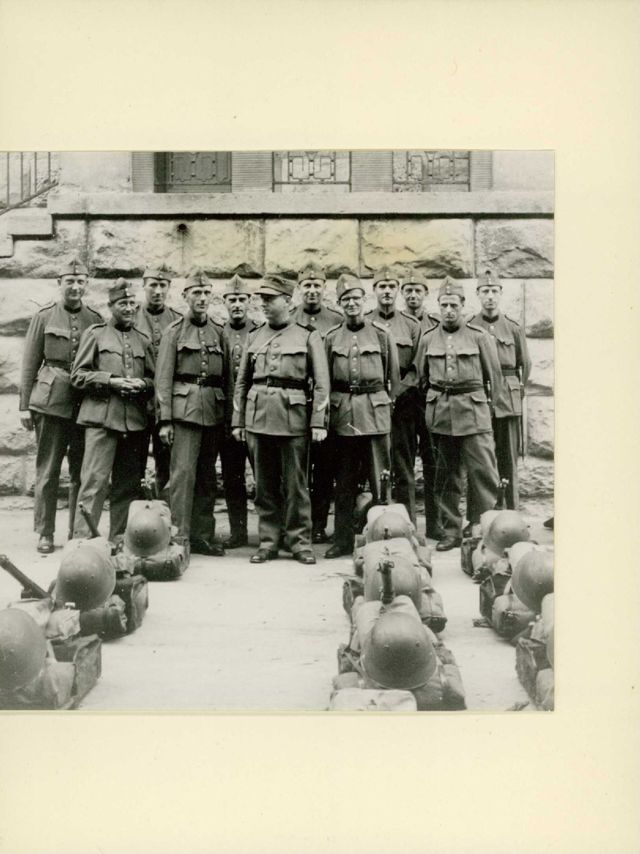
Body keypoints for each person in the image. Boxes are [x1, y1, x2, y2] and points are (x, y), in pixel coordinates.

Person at [232, 273, 330, 565]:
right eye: (261, 299)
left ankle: (299, 542)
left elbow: (321, 383)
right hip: (258, 418)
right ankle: (268, 541)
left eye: (269, 299)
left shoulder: (307, 335)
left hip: (293, 419)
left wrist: (318, 421)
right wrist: (239, 421)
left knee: (296, 485)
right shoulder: (255, 336)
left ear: (287, 301)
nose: (263, 304)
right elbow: (242, 382)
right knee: (264, 485)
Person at [19, 258, 103, 553]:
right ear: (60, 283)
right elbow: (30, 363)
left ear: (86, 284)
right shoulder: (44, 317)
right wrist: (24, 405)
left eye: (80, 281)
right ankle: (45, 532)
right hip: (50, 403)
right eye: (70, 281)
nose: (75, 287)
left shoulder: (95, 319)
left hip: (83, 404)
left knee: (82, 470)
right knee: (48, 469)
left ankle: (77, 531)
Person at [415, 277, 502, 551]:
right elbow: (422, 379)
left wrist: (487, 411)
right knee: (445, 477)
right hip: (442, 415)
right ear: (438, 306)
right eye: (444, 305)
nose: (449, 310)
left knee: (483, 474)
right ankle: (451, 531)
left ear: (463, 305)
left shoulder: (479, 336)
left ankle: (484, 529)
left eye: (454, 305)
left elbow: (495, 379)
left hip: (474, 414)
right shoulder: (428, 338)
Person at [71, 279, 155, 542]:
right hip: (101, 421)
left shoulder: (143, 340)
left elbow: (154, 379)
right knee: (94, 483)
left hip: (134, 423)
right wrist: (111, 381)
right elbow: (78, 376)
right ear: (111, 306)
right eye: (122, 304)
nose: (128, 308)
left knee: (127, 486)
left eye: (132, 303)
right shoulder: (95, 335)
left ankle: (119, 539)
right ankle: (83, 542)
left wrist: (143, 384)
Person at [324, 273, 400, 558]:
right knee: (343, 482)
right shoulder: (332, 337)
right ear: (340, 304)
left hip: (375, 415)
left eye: (356, 298)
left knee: (381, 481)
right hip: (343, 417)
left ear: (364, 300)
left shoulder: (381, 334)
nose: (351, 304)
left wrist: (384, 405)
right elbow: (325, 380)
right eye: (346, 300)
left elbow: (393, 378)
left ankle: (383, 538)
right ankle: (343, 540)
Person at [155, 269, 229, 557]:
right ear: (185, 296)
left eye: (206, 293)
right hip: (184, 413)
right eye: (196, 293)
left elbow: (227, 378)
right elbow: (163, 378)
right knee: (182, 476)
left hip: (213, 411)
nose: (202, 298)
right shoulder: (173, 332)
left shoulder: (219, 332)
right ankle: (179, 536)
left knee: (208, 477)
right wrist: (165, 420)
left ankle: (202, 535)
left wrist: (228, 416)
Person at [468, 269, 531, 512]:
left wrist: (513, 390)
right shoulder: (470, 326)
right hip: (479, 398)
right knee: (480, 460)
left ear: (501, 293)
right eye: (485, 291)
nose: (490, 296)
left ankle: (511, 514)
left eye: (494, 291)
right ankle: (479, 516)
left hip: (507, 400)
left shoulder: (513, 328)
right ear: (478, 294)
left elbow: (525, 364)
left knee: (508, 459)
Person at [290, 261, 343, 543]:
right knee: (296, 468)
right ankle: (297, 524)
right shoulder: (289, 318)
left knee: (324, 468)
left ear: (325, 288)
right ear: (299, 289)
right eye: (307, 285)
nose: (312, 290)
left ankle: (319, 524)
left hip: (326, 405)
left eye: (317, 285)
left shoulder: (336, 321)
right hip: (296, 404)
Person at [365, 266, 421, 525]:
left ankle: (407, 525)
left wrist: (397, 393)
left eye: (391, 287)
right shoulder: (365, 322)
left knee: (403, 466)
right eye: (382, 287)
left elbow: (417, 368)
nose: (386, 291)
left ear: (397, 290)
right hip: (372, 406)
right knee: (373, 466)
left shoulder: (411, 325)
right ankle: (375, 523)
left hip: (403, 406)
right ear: (374, 290)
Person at [220, 273, 262, 548]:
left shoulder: (259, 332)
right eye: (232, 299)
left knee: (265, 477)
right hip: (228, 418)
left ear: (249, 302)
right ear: (224, 302)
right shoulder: (217, 333)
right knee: (232, 477)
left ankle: (270, 531)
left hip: (257, 416)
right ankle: (238, 532)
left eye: (242, 299)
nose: (237, 304)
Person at [400, 271, 442, 539]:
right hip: (403, 403)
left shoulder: (436, 325)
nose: (413, 295)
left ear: (426, 294)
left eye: (418, 290)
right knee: (403, 465)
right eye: (408, 290)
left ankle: (436, 524)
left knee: (433, 462)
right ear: (402, 294)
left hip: (429, 401)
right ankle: (407, 526)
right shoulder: (395, 324)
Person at [134, 264, 182, 496]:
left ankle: (164, 512)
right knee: (133, 463)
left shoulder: (178, 320)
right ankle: (135, 513)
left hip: (166, 405)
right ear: (144, 286)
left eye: (163, 285)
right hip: (136, 403)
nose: (158, 291)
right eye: (153, 285)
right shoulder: (131, 316)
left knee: (167, 464)